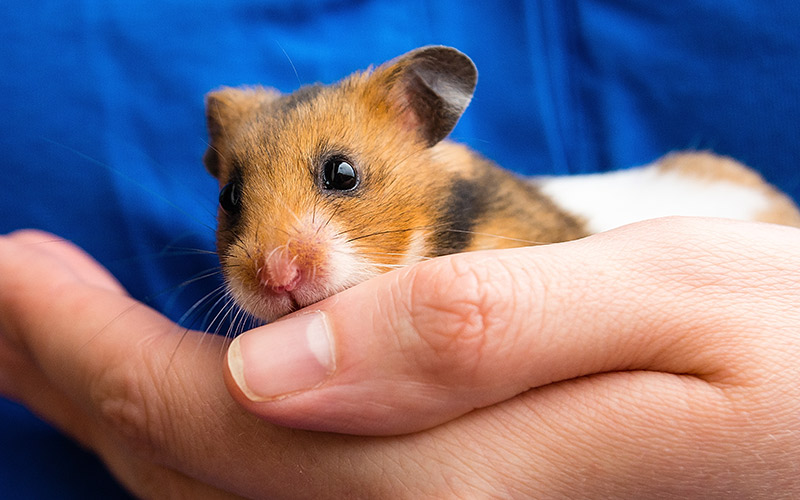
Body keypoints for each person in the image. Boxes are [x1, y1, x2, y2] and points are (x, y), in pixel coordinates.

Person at [2, 1, 800, 497]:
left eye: (340, 176)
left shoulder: (477, 217)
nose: (273, 262)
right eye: (238, 201)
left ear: (422, 112)